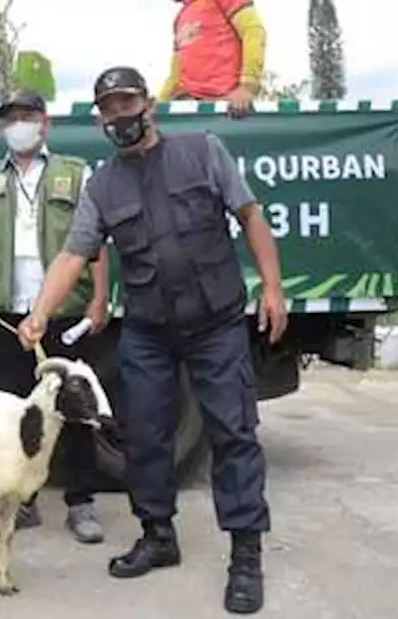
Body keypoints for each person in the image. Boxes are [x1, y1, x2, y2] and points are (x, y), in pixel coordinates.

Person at [17, 67, 288, 614]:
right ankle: (158, 536)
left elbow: (251, 214)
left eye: (128, 101)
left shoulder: (203, 152)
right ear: (100, 118)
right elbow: (74, 254)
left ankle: (245, 555)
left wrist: (274, 289)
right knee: (144, 437)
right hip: (146, 331)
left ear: (149, 104)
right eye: (109, 107)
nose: (121, 113)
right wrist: (40, 312)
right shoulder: (102, 185)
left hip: (216, 325)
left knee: (233, 434)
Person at [0, 88, 112, 545]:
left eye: (27, 115)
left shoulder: (74, 172)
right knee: (16, 414)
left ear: (44, 123)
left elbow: (96, 241)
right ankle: (20, 503)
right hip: (10, 313)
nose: (19, 125)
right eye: (10, 118)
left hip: (65, 311)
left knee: (76, 411)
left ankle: (81, 502)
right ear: (1, 127)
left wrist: (99, 298)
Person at [143, 0, 268, 118]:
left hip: (225, 106)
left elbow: (253, 31)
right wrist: (159, 105)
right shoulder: (181, 18)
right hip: (190, 108)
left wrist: (247, 86)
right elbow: (176, 75)